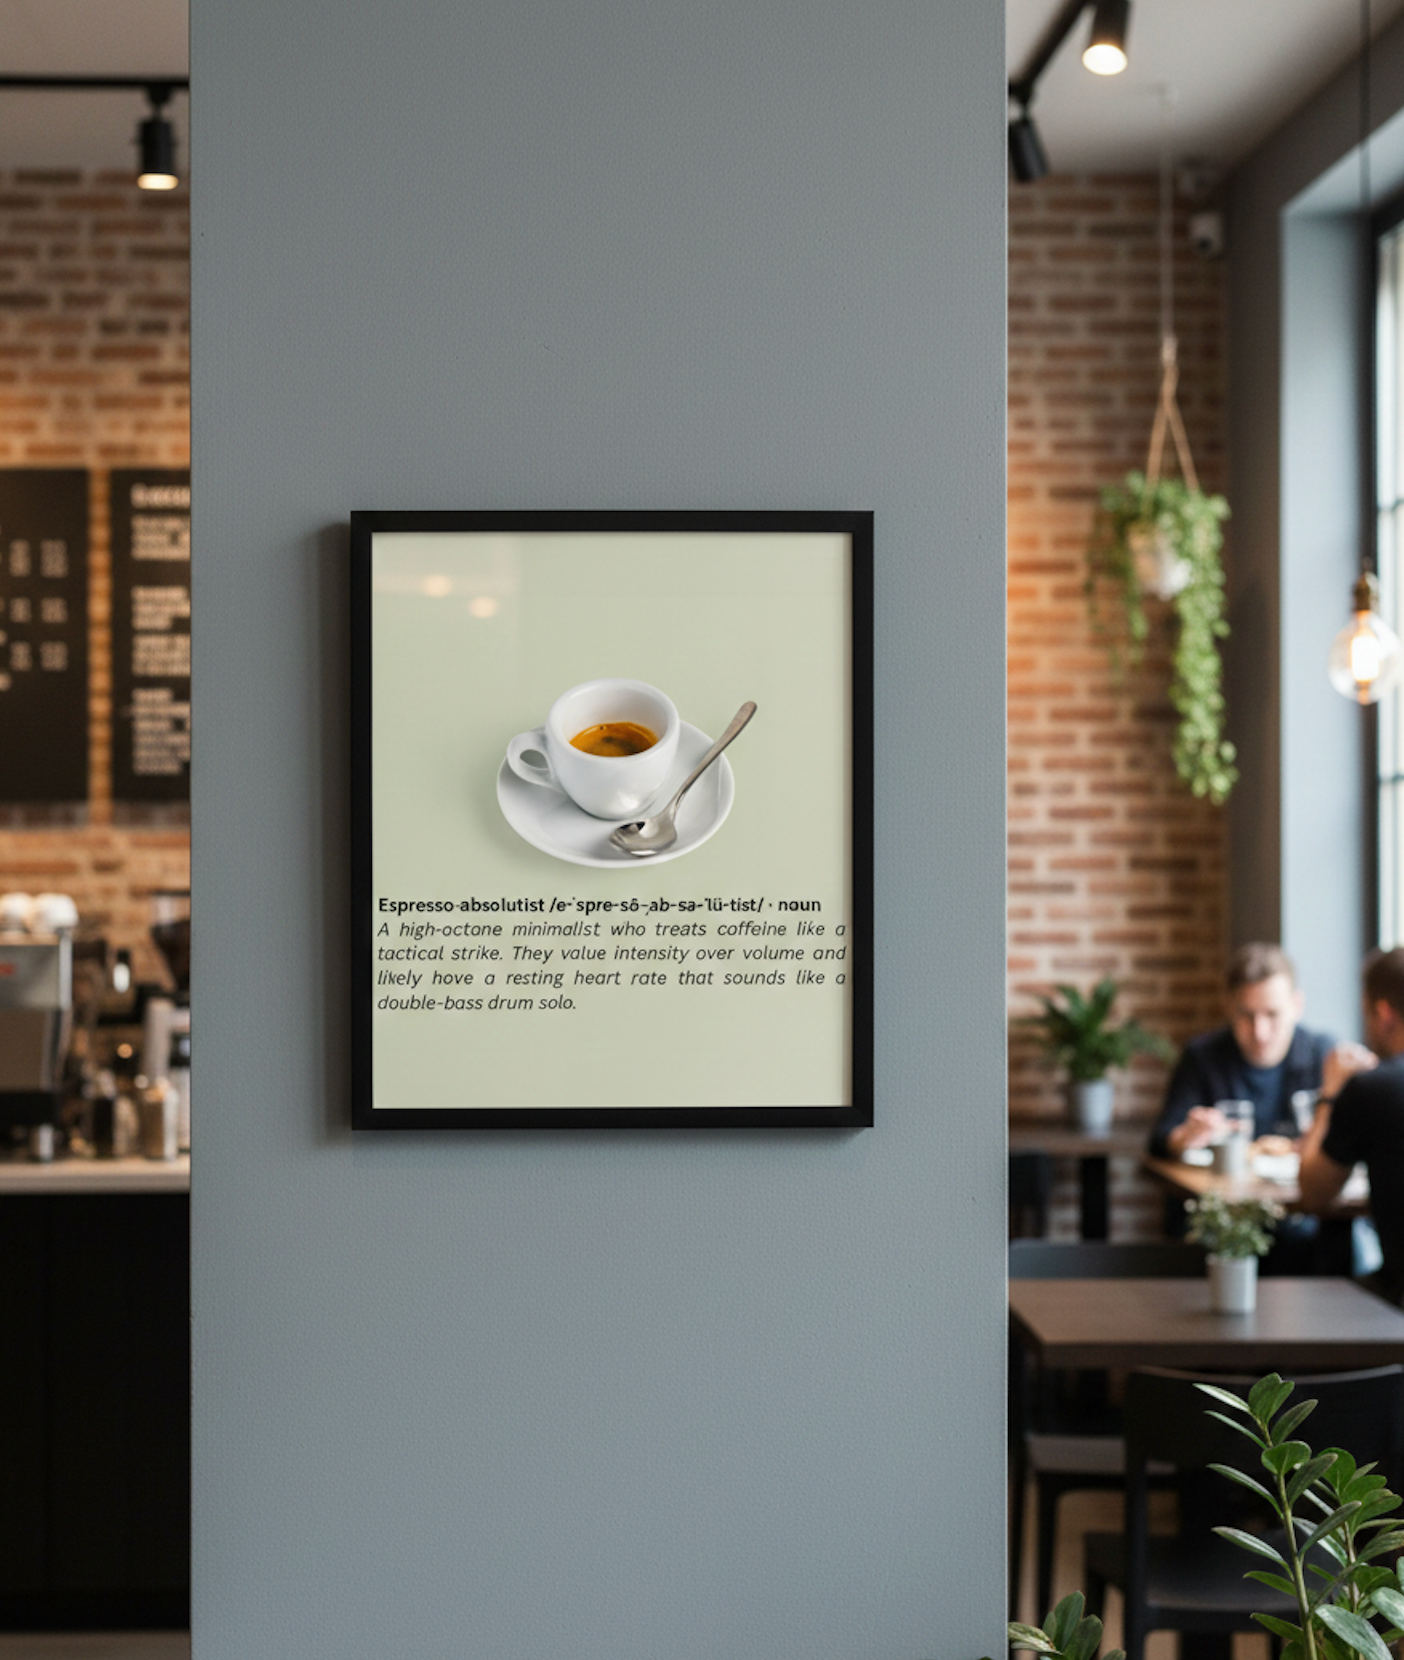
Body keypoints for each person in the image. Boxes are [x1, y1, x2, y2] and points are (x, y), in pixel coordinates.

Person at [1148, 943, 1337, 1159]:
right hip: (1221, 1189)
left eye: (1272, 1014)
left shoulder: (1325, 1057)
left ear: (1297, 1005)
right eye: (1247, 1015)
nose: (1260, 1032)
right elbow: (1160, 1140)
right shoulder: (1203, 1056)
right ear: (1228, 1007)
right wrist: (1187, 1136)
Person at [1299, 947, 1404, 1303]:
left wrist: (1330, 1093)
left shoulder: (1373, 1088)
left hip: (1396, 1304)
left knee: (1312, 1306)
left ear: (1383, 1013)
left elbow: (1315, 1193)